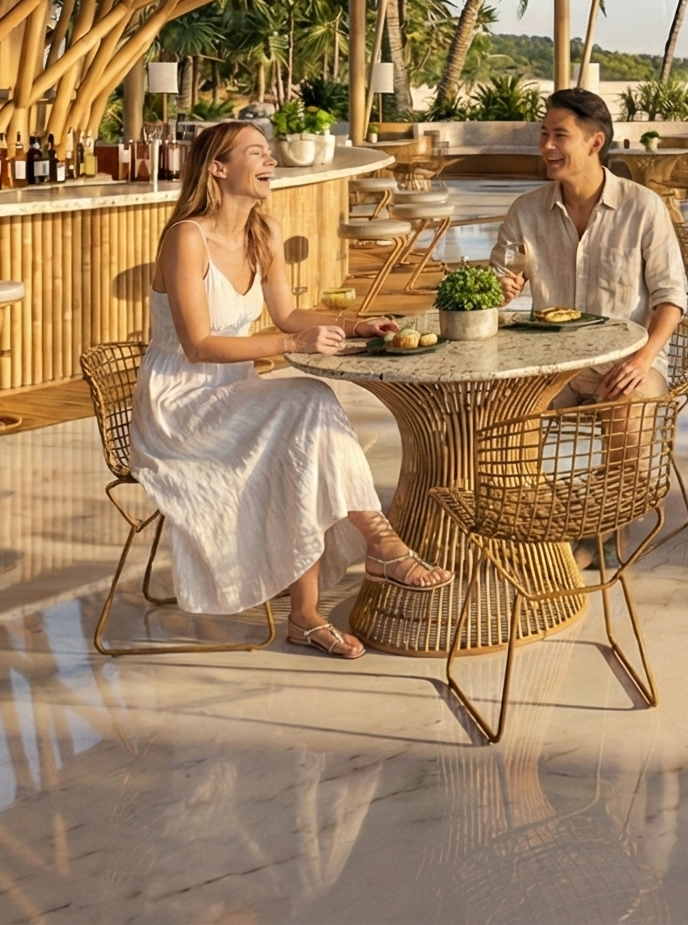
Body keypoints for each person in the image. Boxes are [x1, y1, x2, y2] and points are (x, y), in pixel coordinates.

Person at [131, 120, 451, 661]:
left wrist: (354, 325)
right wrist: (292, 341)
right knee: (308, 403)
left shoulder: (264, 232)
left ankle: (308, 614)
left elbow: (286, 312)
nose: (270, 160)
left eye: (269, 152)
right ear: (217, 168)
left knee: (304, 437)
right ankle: (379, 542)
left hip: (236, 393)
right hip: (181, 406)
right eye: (256, 152)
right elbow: (198, 345)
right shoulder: (186, 237)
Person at [491, 88, 688, 406]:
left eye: (559, 135)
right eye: (544, 134)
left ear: (594, 143)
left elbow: (672, 298)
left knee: (627, 411)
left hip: (627, 362)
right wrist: (498, 290)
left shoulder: (643, 208)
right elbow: (493, 285)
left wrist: (642, 360)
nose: (547, 146)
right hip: (551, 367)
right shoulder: (525, 212)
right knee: (500, 415)